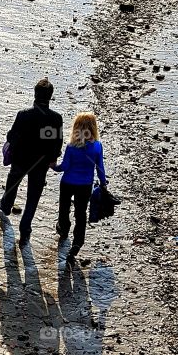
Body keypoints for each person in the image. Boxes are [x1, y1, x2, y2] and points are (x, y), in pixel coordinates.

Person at [0, 78, 64, 246]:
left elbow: (12, 137)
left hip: (20, 160)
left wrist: (11, 140)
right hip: (41, 164)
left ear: (34, 94)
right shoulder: (56, 119)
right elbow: (57, 142)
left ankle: (6, 205)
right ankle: (25, 228)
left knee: (13, 183)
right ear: (50, 97)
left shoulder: (23, 115)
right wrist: (53, 159)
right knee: (33, 196)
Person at [52, 111, 108, 264]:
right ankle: (77, 244)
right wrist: (103, 183)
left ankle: (64, 229)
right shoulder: (97, 147)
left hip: (68, 182)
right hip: (84, 185)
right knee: (80, 213)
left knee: (63, 209)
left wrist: (53, 167)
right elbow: (100, 168)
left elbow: (64, 166)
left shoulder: (71, 147)